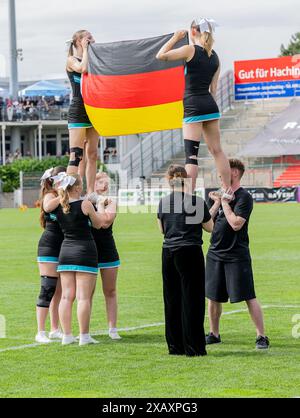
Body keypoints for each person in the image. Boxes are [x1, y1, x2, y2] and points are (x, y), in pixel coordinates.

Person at [156, 18, 232, 197]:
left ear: (192, 31)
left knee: (191, 156)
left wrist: (175, 38)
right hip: (210, 105)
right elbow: (214, 90)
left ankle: (188, 196)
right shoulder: (215, 57)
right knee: (217, 150)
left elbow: (161, 55)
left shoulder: (190, 49)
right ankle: (227, 190)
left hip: (193, 105)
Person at [206, 159, 270, 349]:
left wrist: (225, 203)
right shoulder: (217, 195)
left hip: (236, 254)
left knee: (248, 295)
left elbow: (236, 224)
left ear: (233, 172)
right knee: (213, 296)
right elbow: (207, 226)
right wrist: (217, 202)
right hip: (215, 252)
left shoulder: (244, 197)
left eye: (222, 169)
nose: (219, 173)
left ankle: (261, 336)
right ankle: (214, 334)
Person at [157, 164, 213, 356]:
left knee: (172, 299)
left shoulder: (163, 202)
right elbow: (209, 227)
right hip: (190, 250)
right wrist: (214, 207)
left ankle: (175, 345)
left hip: (168, 251)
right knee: (193, 299)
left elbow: (162, 229)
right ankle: (194, 346)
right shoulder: (196, 202)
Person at [52, 173, 112, 346]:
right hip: (85, 251)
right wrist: (100, 205)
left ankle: (67, 335)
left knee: (66, 297)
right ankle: (84, 336)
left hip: (65, 252)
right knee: (83, 297)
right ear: (77, 187)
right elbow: (99, 224)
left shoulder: (59, 206)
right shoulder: (85, 204)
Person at [66, 30, 99, 194]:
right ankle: (69, 194)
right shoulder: (72, 60)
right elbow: (82, 68)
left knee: (92, 154)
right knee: (76, 155)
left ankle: (91, 193)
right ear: (79, 41)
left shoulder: (94, 60)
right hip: (78, 109)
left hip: (93, 110)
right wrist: (86, 50)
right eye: (89, 37)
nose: (93, 39)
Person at [35, 166, 66, 343]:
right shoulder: (50, 195)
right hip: (49, 247)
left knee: (59, 291)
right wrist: (63, 195)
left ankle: (55, 329)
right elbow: (47, 207)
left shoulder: (62, 195)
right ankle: (40, 331)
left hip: (64, 246)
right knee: (47, 288)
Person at [91, 172, 121, 340]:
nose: (106, 185)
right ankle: (84, 331)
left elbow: (105, 222)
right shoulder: (87, 202)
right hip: (88, 251)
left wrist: (101, 204)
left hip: (108, 250)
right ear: (94, 184)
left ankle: (113, 328)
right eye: (102, 182)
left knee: (110, 290)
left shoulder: (111, 201)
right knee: (87, 293)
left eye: (107, 182)